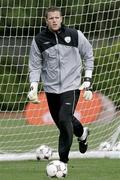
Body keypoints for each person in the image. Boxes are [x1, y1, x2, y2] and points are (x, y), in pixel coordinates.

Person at [28, 6, 94, 164]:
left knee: (64, 119)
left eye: (57, 17)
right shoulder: (39, 40)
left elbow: (89, 55)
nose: (54, 20)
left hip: (71, 86)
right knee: (64, 122)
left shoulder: (75, 35)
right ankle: (82, 133)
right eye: (51, 18)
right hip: (51, 89)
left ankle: (62, 162)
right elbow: (35, 66)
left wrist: (88, 80)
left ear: (61, 18)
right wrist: (33, 87)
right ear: (46, 20)